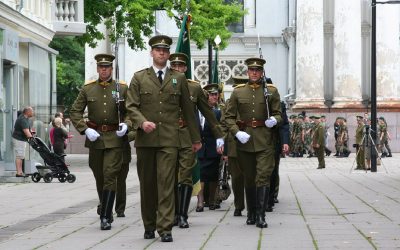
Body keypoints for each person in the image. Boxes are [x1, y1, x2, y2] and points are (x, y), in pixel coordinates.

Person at [125, 35, 202, 242]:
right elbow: (131, 106)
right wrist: (142, 122)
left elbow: (188, 110)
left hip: (170, 140)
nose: (162, 53)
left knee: (167, 184)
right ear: (152, 53)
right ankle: (149, 225)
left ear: (168, 54)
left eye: (165, 51)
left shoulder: (179, 78)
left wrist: (195, 139)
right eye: (158, 50)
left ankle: (165, 228)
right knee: (148, 185)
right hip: (146, 141)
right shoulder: (139, 78)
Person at [70, 53, 130, 230]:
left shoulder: (122, 88)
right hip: (95, 138)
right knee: (100, 176)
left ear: (111, 69)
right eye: (101, 67)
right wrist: (85, 129)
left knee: (110, 175)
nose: (104, 70)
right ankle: (105, 205)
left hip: (114, 139)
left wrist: (126, 125)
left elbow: (130, 111)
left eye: (107, 67)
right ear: (97, 69)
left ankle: (105, 216)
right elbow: (75, 111)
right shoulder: (88, 89)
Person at [224, 57, 282, 228]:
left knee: (263, 177)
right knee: (249, 178)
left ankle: (261, 215)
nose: (255, 72)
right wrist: (237, 133)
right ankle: (251, 212)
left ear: (262, 72)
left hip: (265, 140)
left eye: (258, 70)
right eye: (252, 70)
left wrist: (274, 120)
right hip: (245, 140)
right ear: (248, 72)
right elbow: (229, 117)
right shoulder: (238, 92)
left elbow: (279, 114)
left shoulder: (271, 91)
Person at [169, 52, 224, 227]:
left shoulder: (194, 87)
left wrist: (219, 136)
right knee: (169, 177)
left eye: (181, 66)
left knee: (185, 176)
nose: (178, 69)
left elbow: (207, 112)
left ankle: (183, 215)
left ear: (185, 68)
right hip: (167, 137)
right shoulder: (162, 85)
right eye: (174, 66)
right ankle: (172, 213)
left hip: (187, 137)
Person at [221, 76, 248, 217]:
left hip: (250, 143)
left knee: (251, 177)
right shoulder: (228, 104)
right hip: (233, 146)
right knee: (237, 178)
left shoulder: (251, 101)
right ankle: (239, 205)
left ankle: (253, 205)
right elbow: (224, 126)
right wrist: (223, 147)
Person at [196, 84, 223, 212]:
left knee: (212, 176)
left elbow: (220, 131)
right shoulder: (195, 113)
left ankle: (212, 200)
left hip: (213, 150)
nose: (214, 97)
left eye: (215, 95)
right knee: (200, 175)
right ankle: (200, 202)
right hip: (198, 149)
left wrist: (222, 146)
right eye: (210, 95)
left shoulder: (217, 113)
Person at [267, 100, 289, 212]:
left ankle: (270, 199)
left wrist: (285, 142)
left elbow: (284, 124)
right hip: (256, 142)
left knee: (273, 171)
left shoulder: (279, 104)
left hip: (274, 142)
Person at [115, 130, 136, 218]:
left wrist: (125, 136)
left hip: (123, 152)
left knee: (120, 182)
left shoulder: (129, 116)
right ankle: (103, 205)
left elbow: (135, 130)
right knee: (105, 180)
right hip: (106, 149)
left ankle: (120, 209)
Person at [12, 106, 35, 177]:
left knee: (21, 156)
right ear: (27, 112)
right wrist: (32, 138)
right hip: (19, 140)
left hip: (21, 139)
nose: (33, 112)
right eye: (32, 111)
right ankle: (19, 173)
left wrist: (31, 132)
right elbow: (26, 131)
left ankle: (21, 172)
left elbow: (27, 129)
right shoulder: (23, 119)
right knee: (19, 156)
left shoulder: (26, 118)